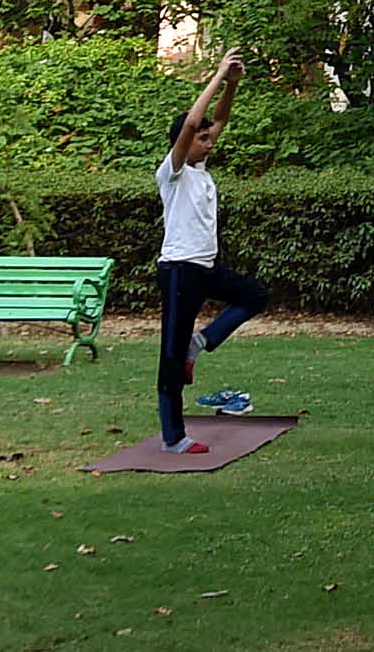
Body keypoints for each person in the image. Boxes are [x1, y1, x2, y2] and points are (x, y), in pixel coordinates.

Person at [152, 51, 269, 455]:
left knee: (255, 296)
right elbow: (191, 123)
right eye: (202, 139)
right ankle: (173, 437)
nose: (209, 140)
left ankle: (199, 344)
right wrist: (218, 73)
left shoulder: (202, 173)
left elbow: (219, 120)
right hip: (179, 270)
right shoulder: (173, 172)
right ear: (184, 144)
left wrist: (234, 84)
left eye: (208, 137)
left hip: (205, 267)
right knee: (170, 356)